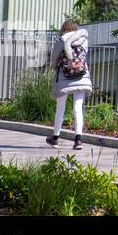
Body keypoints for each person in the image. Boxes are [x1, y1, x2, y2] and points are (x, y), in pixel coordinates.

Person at [46, 18, 92, 149]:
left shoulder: (61, 40)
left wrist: (54, 66)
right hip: (81, 76)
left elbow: (54, 59)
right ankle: (78, 140)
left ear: (64, 28)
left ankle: (55, 138)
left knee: (60, 107)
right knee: (78, 107)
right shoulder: (84, 40)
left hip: (63, 77)